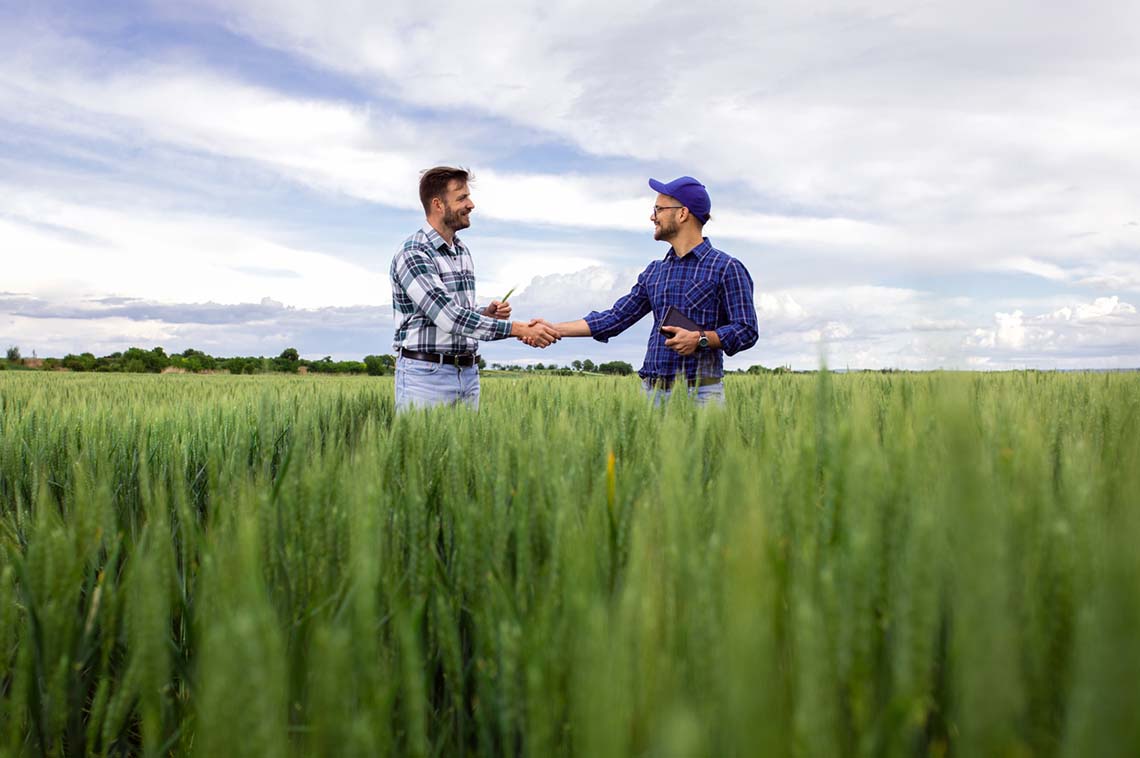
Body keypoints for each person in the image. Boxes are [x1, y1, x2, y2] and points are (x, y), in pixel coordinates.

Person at [542, 176, 758, 405]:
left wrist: (701, 339)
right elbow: (615, 318)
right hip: (651, 394)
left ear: (683, 213)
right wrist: (552, 329)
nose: (652, 216)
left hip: (701, 396)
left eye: (659, 209)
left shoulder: (726, 267)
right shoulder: (655, 272)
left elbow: (746, 330)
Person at [391, 166, 559, 410]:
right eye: (462, 198)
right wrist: (520, 328)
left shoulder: (462, 251)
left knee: (469, 449)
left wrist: (483, 314)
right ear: (438, 204)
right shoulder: (414, 253)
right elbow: (449, 318)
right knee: (424, 449)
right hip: (426, 378)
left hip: (468, 374)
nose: (471, 204)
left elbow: (453, 312)